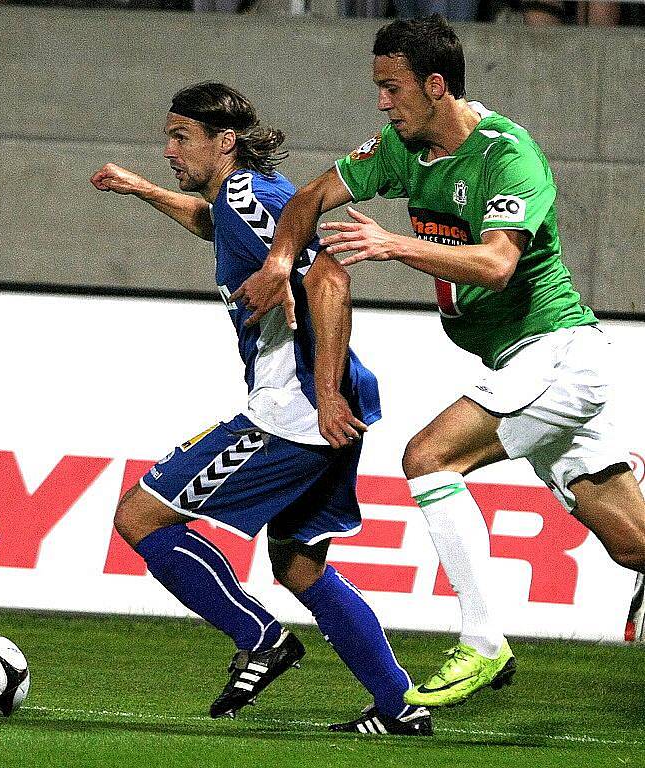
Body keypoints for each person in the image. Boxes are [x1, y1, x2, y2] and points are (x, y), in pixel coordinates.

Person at [230, 15, 645, 708]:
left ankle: (483, 644)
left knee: (429, 459)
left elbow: (496, 263)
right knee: (632, 545)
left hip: (558, 353)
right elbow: (308, 197)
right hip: (527, 364)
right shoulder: (400, 149)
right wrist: (279, 262)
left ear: (434, 85)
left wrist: (396, 246)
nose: (382, 104)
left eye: (391, 89)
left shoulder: (506, 155)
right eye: (378, 89)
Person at [90, 82, 432, 735]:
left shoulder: (249, 200)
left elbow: (326, 276)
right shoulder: (234, 202)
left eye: (180, 137)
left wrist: (322, 387)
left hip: (299, 408)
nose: (168, 149)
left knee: (139, 515)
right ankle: (400, 706)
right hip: (332, 402)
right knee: (300, 565)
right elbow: (209, 221)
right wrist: (145, 190)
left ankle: (261, 637)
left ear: (224, 142)